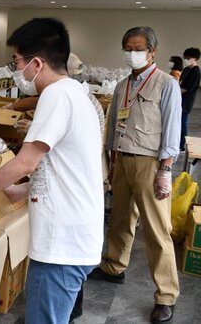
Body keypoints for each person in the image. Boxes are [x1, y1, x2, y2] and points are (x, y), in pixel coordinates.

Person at [0, 18, 103, 324]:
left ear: (37, 63)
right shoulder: (78, 95)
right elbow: (67, 168)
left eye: (17, 63)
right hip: (75, 236)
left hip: (61, 246)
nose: (17, 72)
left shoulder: (56, 96)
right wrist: (23, 190)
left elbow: (25, 162)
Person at [89, 27, 181, 324]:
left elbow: (172, 130)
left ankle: (166, 295)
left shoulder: (166, 85)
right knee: (120, 219)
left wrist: (165, 170)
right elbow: (113, 122)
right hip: (122, 160)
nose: (133, 52)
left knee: (156, 231)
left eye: (139, 47)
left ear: (153, 51)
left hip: (150, 163)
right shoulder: (122, 85)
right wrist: (111, 159)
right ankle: (114, 266)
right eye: (127, 47)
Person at [179, 47, 200, 151]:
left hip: (186, 101)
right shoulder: (187, 69)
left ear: (195, 58)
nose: (185, 59)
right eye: (185, 57)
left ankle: (181, 146)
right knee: (178, 123)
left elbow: (186, 88)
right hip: (179, 99)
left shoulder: (196, 71)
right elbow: (180, 82)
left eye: (188, 57)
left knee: (183, 122)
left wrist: (175, 93)